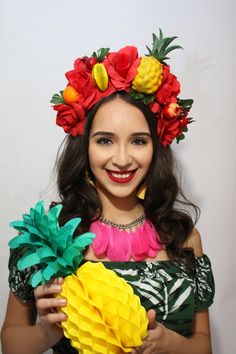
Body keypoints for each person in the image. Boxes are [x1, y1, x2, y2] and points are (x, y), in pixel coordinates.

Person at [1, 30, 214, 354]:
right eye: (105, 140)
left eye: (138, 141)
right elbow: (11, 341)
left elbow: (203, 346)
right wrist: (45, 333)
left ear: (155, 149)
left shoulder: (184, 237)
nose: (123, 159)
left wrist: (171, 344)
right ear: (84, 147)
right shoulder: (49, 238)